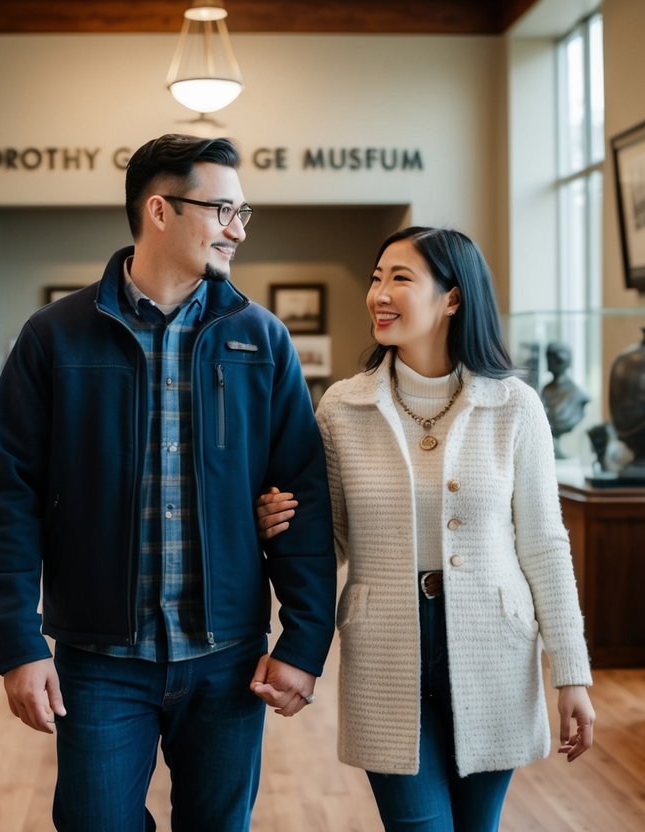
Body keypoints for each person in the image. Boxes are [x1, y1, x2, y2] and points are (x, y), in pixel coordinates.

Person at [0, 134, 336, 832]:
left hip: (228, 657)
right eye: (223, 210)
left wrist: (303, 641)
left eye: (242, 213)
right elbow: (5, 498)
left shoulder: (262, 340)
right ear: (160, 210)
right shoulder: (53, 337)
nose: (238, 229)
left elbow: (302, 498)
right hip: (99, 660)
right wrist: (18, 643)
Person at [256, 227, 595, 830]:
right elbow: (327, 541)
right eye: (376, 279)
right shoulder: (342, 408)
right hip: (385, 649)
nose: (379, 294)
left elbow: (545, 545)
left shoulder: (515, 406)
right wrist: (271, 525)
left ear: (453, 298)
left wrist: (572, 675)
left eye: (400, 279)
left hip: (495, 651)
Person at [539, 341, 589, 458]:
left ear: (561, 361)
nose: (549, 362)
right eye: (548, 358)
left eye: (552, 359)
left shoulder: (578, 394)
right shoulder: (545, 390)